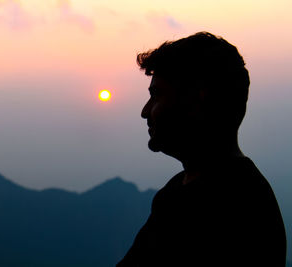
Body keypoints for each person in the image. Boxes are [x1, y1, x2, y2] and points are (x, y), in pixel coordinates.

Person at [116, 32, 286, 266]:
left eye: (156, 95)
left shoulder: (235, 206)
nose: (145, 112)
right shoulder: (176, 191)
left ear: (198, 98)